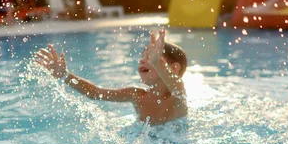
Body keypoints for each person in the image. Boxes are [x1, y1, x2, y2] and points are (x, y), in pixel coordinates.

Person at [34, 29, 188, 126]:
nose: (142, 60)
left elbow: (177, 87)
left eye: (152, 57)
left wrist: (157, 64)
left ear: (174, 68)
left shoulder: (177, 99)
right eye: (143, 55)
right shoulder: (136, 95)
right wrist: (65, 76)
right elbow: (96, 93)